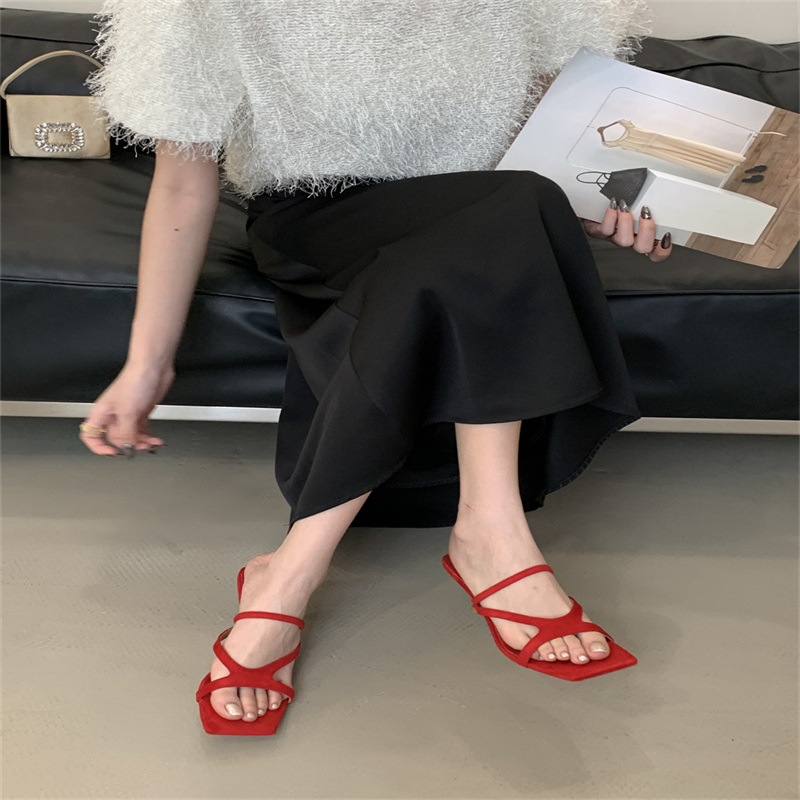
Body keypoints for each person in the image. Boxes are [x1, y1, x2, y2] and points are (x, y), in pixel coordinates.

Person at [80, 0, 672, 735]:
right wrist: (146, 364)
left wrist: (591, 211)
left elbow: (553, 129)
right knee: (505, 212)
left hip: (485, 207)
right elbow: (180, 183)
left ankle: (303, 570)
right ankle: (476, 543)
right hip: (318, 217)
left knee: (516, 203)